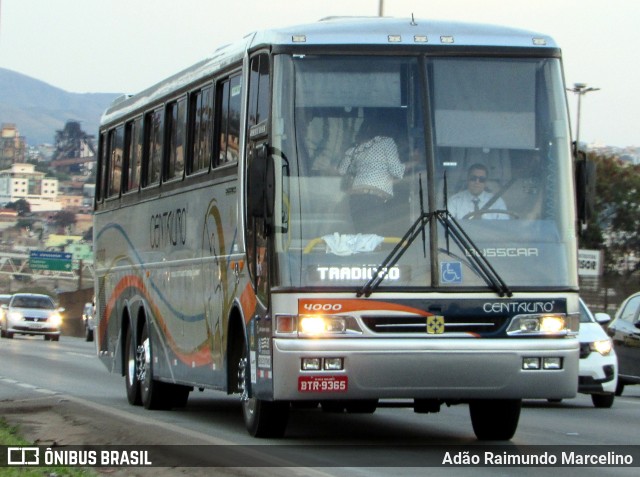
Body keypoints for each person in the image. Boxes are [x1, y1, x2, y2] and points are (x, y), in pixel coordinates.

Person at [338, 117, 406, 233]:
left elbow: (342, 171)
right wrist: (413, 162)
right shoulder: (387, 142)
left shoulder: (356, 148)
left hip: (354, 199)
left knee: (361, 235)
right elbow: (397, 171)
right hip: (372, 198)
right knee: (372, 238)